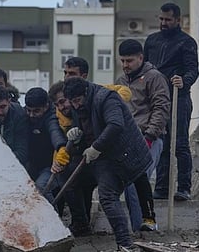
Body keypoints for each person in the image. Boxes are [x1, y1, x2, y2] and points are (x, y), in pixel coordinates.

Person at [62, 77, 155, 250]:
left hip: (118, 156)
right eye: (72, 102)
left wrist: (96, 147)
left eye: (77, 101)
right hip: (97, 156)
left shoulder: (106, 98)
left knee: (107, 196)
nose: (75, 105)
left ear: (86, 93)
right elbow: (83, 125)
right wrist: (74, 134)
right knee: (69, 180)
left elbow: (115, 125)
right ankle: (81, 225)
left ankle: (125, 244)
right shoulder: (77, 105)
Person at [144, 2, 199, 201]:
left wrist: (183, 80)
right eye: (161, 19)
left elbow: (193, 70)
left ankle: (184, 188)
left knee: (180, 144)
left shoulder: (187, 42)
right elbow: (145, 69)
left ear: (178, 20)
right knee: (161, 143)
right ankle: (161, 188)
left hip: (179, 98)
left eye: (168, 19)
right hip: (157, 101)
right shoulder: (151, 41)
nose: (163, 23)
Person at [116, 39, 171, 231]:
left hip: (150, 139)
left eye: (129, 61)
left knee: (135, 182)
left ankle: (145, 226)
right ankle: (138, 227)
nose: (125, 65)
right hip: (126, 142)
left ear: (141, 58)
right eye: (122, 60)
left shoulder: (154, 77)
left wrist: (149, 136)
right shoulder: (121, 81)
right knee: (129, 184)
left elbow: (161, 108)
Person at [48, 81, 96, 236]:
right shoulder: (58, 117)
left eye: (63, 101)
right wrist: (59, 159)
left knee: (80, 184)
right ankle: (81, 222)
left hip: (96, 155)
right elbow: (56, 135)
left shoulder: (83, 109)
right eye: (57, 104)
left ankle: (82, 222)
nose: (62, 107)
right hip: (77, 158)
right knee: (68, 177)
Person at [24, 87, 68, 212]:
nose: (32, 115)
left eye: (36, 111)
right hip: (31, 165)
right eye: (29, 110)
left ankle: (54, 223)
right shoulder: (24, 115)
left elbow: (55, 132)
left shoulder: (52, 117)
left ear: (46, 106)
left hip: (52, 165)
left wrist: (61, 147)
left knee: (41, 188)